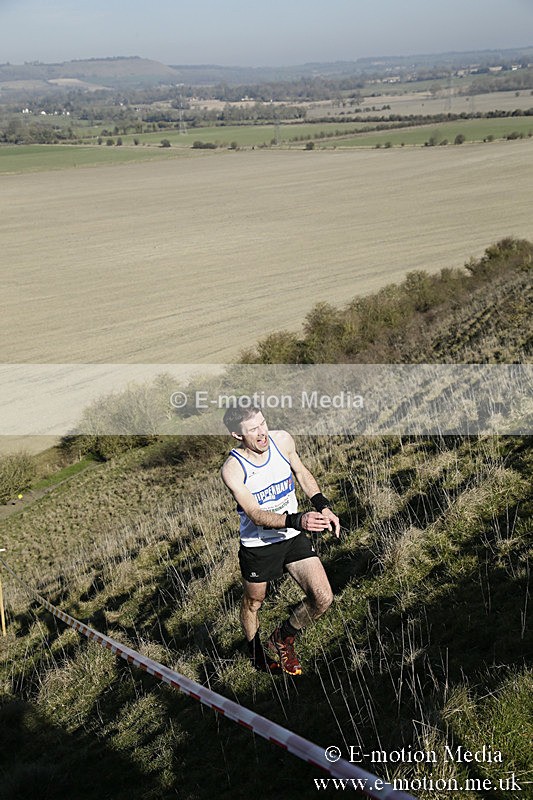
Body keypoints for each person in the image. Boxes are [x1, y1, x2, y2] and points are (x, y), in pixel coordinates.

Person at [221, 404, 340, 676]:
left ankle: (283, 637)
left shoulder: (282, 440)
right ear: (237, 435)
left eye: (263, 424)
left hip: (292, 535)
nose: (262, 433)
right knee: (254, 602)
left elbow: (301, 472)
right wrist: (298, 519)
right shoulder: (233, 469)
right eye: (253, 430)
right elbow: (255, 514)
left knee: (323, 598)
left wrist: (322, 506)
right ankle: (255, 654)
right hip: (259, 545)